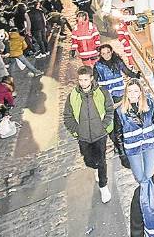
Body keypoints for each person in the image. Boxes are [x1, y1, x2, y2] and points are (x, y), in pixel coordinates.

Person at [63, 65, 114, 203]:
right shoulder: (73, 96)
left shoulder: (102, 92)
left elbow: (110, 110)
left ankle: (103, 186)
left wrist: (103, 127)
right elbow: (68, 117)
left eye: (86, 79)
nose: (83, 82)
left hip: (100, 135)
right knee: (89, 161)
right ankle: (95, 167)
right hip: (84, 136)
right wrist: (77, 132)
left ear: (91, 78)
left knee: (102, 161)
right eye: (80, 80)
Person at [116, 79, 154, 184]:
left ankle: (148, 197)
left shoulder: (149, 103)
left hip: (149, 144)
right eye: (130, 91)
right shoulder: (120, 111)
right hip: (132, 148)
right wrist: (122, 154)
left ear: (140, 92)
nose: (132, 94)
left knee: (149, 176)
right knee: (140, 178)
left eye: (135, 91)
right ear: (126, 93)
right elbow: (118, 134)